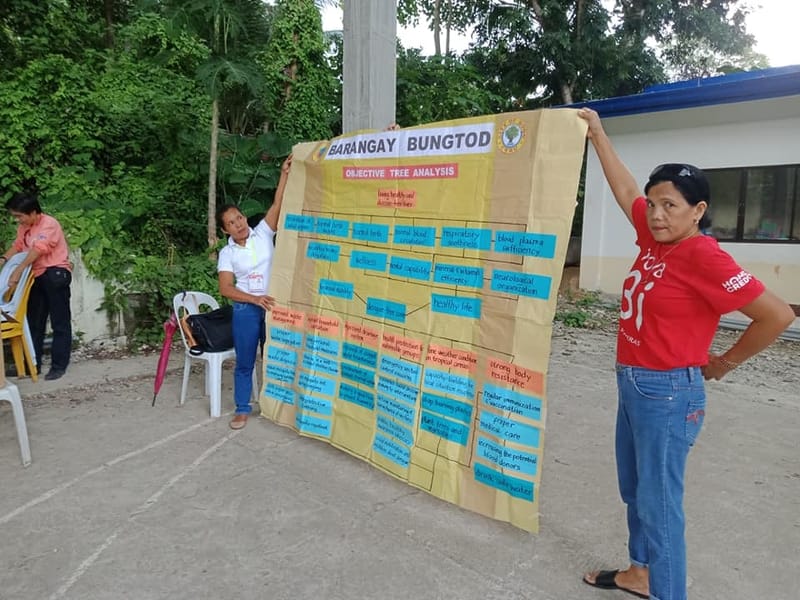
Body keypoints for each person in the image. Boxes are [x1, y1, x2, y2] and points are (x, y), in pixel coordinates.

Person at [577, 107, 795, 600]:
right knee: (635, 490)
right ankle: (641, 572)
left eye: (670, 205)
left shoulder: (703, 255)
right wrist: (598, 134)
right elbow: (627, 191)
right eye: (655, 204)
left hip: (667, 393)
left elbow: (777, 315)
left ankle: (666, 590)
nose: (656, 213)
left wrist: (722, 363)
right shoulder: (654, 241)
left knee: (659, 503)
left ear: (697, 211)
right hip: (632, 383)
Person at [216, 155, 292, 429]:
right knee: (246, 360)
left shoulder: (262, 233)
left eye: (239, 217)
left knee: (276, 358)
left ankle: (278, 407)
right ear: (225, 230)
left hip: (272, 306)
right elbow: (225, 288)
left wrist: (284, 174)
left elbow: (277, 204)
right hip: (247, 310)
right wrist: (253, 299)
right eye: (232, 223)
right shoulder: (227, 253)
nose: (239, 224)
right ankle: (242, 408)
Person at [2, 191, 73, 381]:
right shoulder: (25, 227)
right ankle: (32, 365)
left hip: (54, 274)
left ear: (33, 212)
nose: (18, 220)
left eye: (20, 216)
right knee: (34, 322)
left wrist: (18, 271)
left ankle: (59, 366)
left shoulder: (49, 224)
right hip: (35, 276)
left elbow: (38, 250)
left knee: (60, 321)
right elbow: (18, 246)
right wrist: (3, 260)